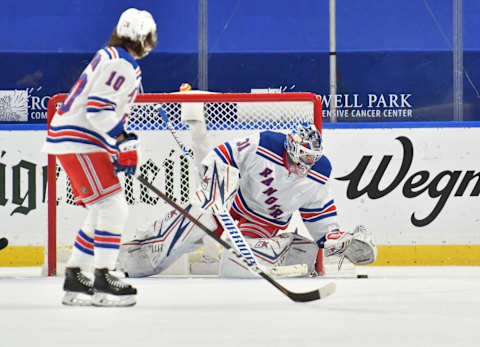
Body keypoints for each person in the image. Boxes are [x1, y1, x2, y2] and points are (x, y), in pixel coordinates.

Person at [116, 106, 377, 279]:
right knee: (197, 217)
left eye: (313, 158)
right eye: (304, 156)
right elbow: (224, 155)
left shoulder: (319, 173)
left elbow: (320, 216)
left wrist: (335, 239)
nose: (307, 163)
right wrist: (215, 181)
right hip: (229, 209)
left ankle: (292, 248)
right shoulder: (265, 143)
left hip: (262, 229)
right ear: (292, 146)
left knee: (233, 265)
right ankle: (132, 259)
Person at [42, 8, 157, 306]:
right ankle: (104, 278)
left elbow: (98, 109)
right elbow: (97, 109)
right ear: (142, 38)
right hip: (80, 141)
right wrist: (122, 140)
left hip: (79, 139)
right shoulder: (122, 64)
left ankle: (76, 277)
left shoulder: (109, 56)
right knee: (113, 206)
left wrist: (118, 146)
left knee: (101, 209)